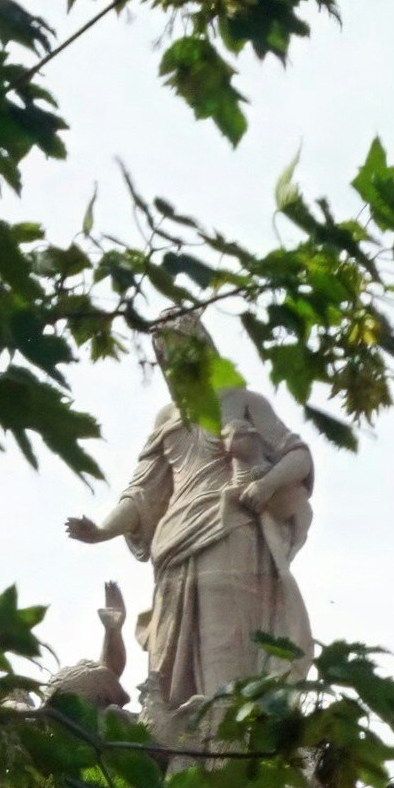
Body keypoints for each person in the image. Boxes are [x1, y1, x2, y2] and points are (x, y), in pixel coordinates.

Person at [70, 314, 315, 750]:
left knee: (228, 658)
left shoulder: (242, 401)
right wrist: (103, 530)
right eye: (162, 357)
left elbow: (299, 457)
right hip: (172, 547)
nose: (169, 366)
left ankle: (231, 754)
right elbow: (143, 492)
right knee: (164, 675)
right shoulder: (167, 417)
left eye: (177, 353)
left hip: (230, 534)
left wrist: (265, 483)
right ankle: (174, 762)